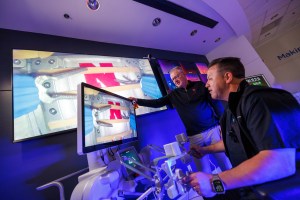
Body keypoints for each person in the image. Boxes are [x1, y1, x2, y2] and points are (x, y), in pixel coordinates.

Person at [184, 57, 300, 198]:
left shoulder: (259, 99)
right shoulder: (229, 111)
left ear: (227, 77)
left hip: (278, 189)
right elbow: (235, 141)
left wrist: (215, 181)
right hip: (251, 186)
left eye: (210, 79)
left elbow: (281, 161)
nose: (206, 84)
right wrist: (205, 150)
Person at [130, 66, 232, 173]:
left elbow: (216, 104)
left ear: (183, 74)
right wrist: (138, 101)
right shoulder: (174, 95)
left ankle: (235, 188)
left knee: (224, 162)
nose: (175, 80)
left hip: (212, 130)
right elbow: (157, 103)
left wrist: (222, 125)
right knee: (203, 170)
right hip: (194, 137)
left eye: (177, 76)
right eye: (173, 79)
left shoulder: (200, 86)